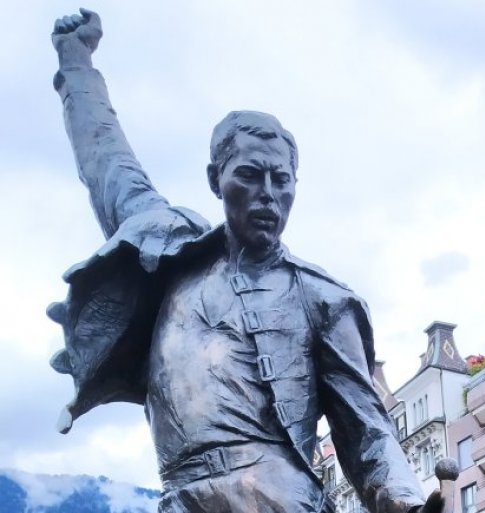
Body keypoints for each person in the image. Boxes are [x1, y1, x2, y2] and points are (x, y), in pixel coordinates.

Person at [48, 9, 443, 513]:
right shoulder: (171, 258)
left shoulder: (323, 300)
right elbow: (107, 163)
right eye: (250, 176)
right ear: (216, 179)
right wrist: (76, 67)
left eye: (282, 180)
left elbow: (367, 428)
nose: (268, 195)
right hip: (181, 499)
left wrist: (407, 504)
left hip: (281, 501)